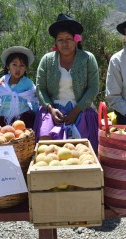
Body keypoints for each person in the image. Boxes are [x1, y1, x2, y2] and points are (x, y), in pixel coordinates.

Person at [33, 13, 99, 152]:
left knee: (80, 149)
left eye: (68, 38)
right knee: (46, 145)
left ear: (76, 40)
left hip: (82, 108)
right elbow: (40, 88)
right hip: (53, 109)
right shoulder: (47, 60)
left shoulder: (87, 59)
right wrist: (51, 109)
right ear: (56, 43)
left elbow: (93, 88)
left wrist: (76, 111)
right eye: (60, 40)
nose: (65, 43)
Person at [0, 46, 38, 128]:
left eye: (22, 65)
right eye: (14, 64)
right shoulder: (2, 81)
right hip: (3, 119)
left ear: (25, 68)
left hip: (22, 119)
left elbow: (34, 101)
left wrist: (38, 116)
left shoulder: (28, 83)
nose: (18, 68)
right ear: (8, 66)